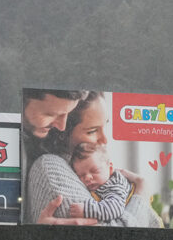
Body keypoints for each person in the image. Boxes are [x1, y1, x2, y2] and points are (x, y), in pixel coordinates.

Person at [25, 91, 159, 228]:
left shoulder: (104, 175)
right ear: (62, 133)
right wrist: (142, 192)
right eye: (92, 131)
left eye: (105, 125)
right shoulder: (52, 168)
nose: (105, 140)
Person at [68, 143, 162, 227]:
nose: (88, 177)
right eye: (81, 175)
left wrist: (86, 209)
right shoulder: (100, 183)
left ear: (110, 168)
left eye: (95, 171)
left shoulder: (114, 185)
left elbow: (114, 209)